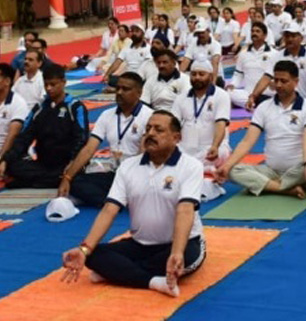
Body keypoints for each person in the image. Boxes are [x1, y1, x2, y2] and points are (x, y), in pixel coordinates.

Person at [61, 109, 206, 297]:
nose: (151, 134)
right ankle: (153, 282)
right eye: (148, 129)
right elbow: (109, 210)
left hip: (182, 243)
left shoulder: (191, 166)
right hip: (140, 245)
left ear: (176, 137)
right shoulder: (128, 167)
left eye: (158, 130)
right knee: (93, 255)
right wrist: (84, 249)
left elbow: (185, 210)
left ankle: (120, 273)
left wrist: (177, 252)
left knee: (180, 259)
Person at [216, 61, 306, 199]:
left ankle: (268, 186)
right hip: (271, 171)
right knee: (233, 170)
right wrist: (227, 165)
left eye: (284, 81)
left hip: (299, 170)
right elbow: (247, 141)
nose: (278, 85)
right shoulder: (263, 107)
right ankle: (283, 189)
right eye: (276, 80)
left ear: (296, 82)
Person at [59, 72, 152, 208]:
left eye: (125, 89)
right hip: (116, 174)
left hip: (140, 175)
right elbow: (89, 149)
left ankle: (114, 200)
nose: (119, 92)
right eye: (118, 88)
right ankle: (116, 201)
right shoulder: (106, 115)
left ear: (139, 93)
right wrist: (67, 178)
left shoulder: (149, 116)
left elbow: (144, 156)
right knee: (75, 182)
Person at [0, 64, 89, 188]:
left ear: (63, 82)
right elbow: (24, 136)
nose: (49, 88)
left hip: (67, 162)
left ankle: (35, 181)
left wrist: (73, 162)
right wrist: (6, 160)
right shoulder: (39, 108)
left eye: (53, 84)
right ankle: (47, 180)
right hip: (43, 163)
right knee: (12, 166)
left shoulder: (75, 107)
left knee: (74, 174)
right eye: (46, 85)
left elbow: (82, 138)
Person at [170, 58, 231, 199]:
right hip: (186, 148)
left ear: (210, 76)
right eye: (194, 74)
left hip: (211, 149)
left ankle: (192, 170)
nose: (197, 77)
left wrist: (215, 146)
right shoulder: (181, 97)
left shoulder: (221, 95)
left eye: (201, 74)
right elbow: (173, 125)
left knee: (221, 153)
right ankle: (206, 171)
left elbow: (221, 124)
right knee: (170, 154)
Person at [245, 22, 306, 108]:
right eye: (287, 36)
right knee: (259, 99)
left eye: (293, 36)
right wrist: (253, 96)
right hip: (284, 99)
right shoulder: (277, 56)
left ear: (301, 38)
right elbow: (266, 77)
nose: (289, 39)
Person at [229, 21, 273, 108]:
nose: (254, 33)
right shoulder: (243, 53)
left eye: (257, 31)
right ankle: (257, 103)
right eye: (252, 31)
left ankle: (254, 103)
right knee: (228, 93)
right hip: (248, 93)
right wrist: (233, 84)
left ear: (265, 35)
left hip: (267, 92)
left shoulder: (274, 54)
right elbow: (238, 74)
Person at [103, 22, 153, 89]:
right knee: (110, 79)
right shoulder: (127, 47)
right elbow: (117, 61)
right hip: (128, 77)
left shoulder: (148, 48)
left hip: (141, 78)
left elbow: (146, 68)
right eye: (132, 31)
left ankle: (125, 88)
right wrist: (107, 75)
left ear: (143, 34)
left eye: (137, 31)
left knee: (146, 83)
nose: (134, 33)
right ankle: (127, 87)